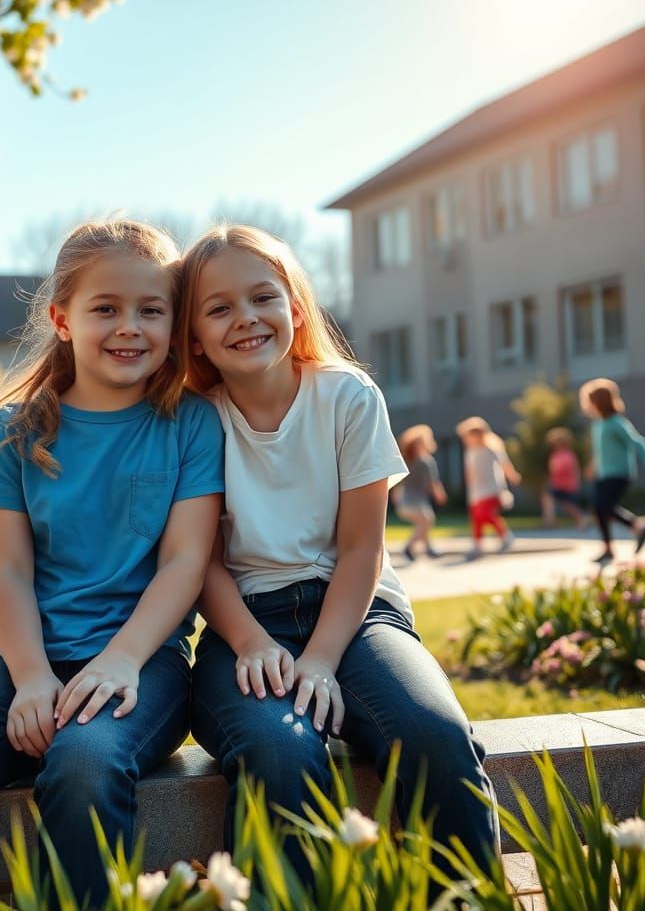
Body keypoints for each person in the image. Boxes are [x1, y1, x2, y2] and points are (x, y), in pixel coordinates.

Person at [0, 219, 224, 910]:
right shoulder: (16, 432)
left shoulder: (190, 423)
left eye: (151, 310)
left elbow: (186, 563)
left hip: (141, 664)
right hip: (24, 660)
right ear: (63, 320)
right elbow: (4, 574)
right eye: (107, 309)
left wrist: (121, 659)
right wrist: (32, 677)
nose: (130, 327)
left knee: (84, 765)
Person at [178, 225, 497, 885]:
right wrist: (254, 645)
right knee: (280, 750)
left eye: (263, 297)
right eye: (219, 307)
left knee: (435, 737)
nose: (246, 319)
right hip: (246, 626)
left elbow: (362, 548)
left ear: (295, 309)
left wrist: (321, 660)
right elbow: (199, 562)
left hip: (359, 618)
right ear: (195, 335)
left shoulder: (348, 397)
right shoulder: (191, 419)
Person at [580, 378, 645, 565]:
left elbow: (637, 442)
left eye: (589, 401)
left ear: (598, 402)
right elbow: (602, 451)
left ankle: (637, 528)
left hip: (620, 473)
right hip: (604, 474)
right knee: (599, 508)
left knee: (603, 506)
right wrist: (593, 466)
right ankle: (610, 548)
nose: (587, 405)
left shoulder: (616, 423)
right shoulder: (598, 425)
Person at [456, 416, 522, 560]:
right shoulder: (470, 452)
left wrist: (512, 476)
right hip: (476, 491)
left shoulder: (491, 449)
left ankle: (505, 535)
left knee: (484, 513)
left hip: (492, 489)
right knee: (477, 519)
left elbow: (504, 464)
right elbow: (469, 472)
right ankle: (477, 545)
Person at [392, 424, 447, 561]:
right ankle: (409, 547)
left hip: (405, 503)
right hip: (416, 502)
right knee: (427, 521)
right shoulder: (426, 461)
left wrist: (395, 496)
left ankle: (429, 548)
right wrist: (439, 494)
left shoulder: (405, 460)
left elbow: (399, 482)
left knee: (423, 524)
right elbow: (432, 483)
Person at [544, 427, 589, 530]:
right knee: (551, 499)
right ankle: (550, 520)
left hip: (566, 484)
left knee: (568, 505)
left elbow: (567, 469)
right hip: (557, 483)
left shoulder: (568, 455)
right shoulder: (556, 455)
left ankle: (582, 518)